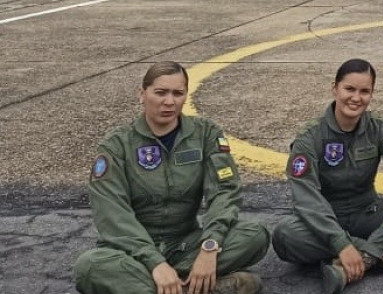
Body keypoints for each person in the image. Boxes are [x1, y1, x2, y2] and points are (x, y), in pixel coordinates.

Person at [73, 61, 268, 294]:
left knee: (255, 235)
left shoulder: (205, 133)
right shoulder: (117, 145)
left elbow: (224, 191)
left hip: (185, 244)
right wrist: (154, 262)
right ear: (142, 94)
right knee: (89, 266)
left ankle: (164, 285)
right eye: (160, 92)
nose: (169, 101)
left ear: (186, 95)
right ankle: (199, 287)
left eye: (178, 93)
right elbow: (112, 214)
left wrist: (209, 246)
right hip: (131, 251)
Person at [271, 58, 383, 294]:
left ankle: (360, 261)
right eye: (349, 89)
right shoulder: (310, 137)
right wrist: (341, 243)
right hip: (326, 221)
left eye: (364, 91)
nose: (356, 98)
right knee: (284, 235)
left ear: (371, 94)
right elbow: (307, 199)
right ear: (335, 88)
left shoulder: (380, 129)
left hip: (368, 215)